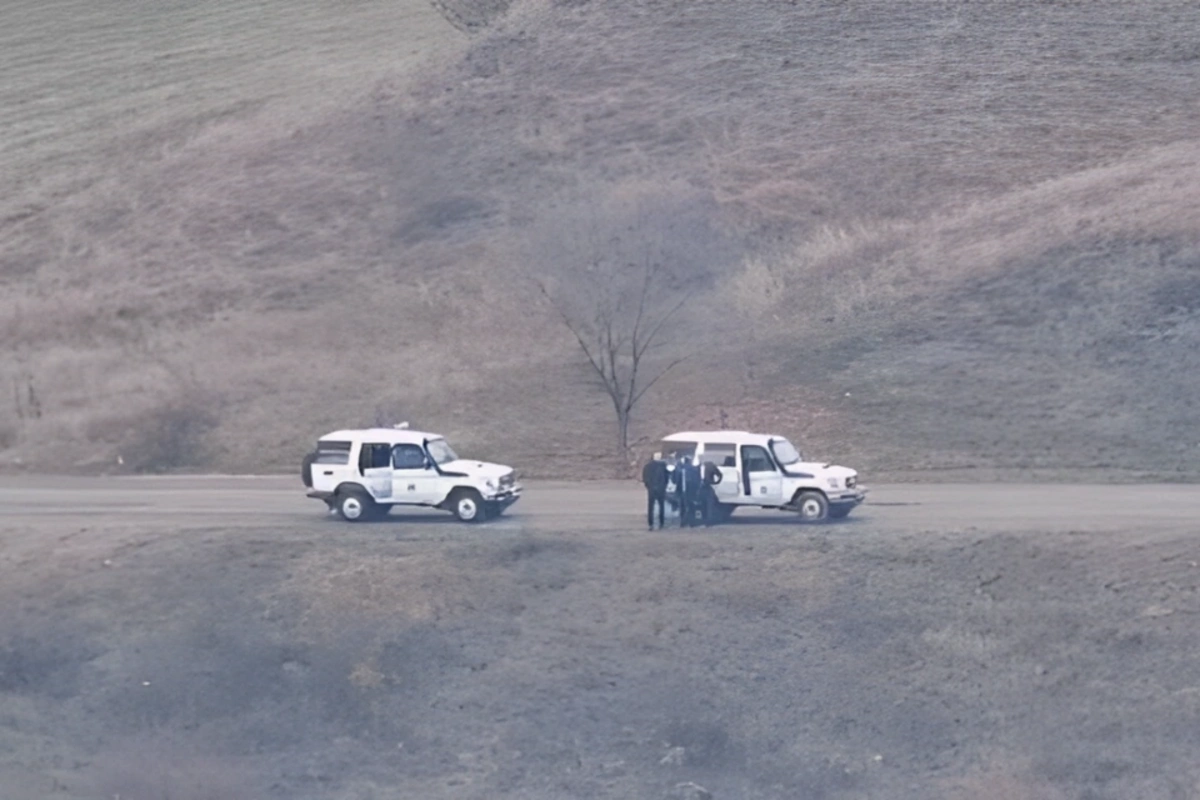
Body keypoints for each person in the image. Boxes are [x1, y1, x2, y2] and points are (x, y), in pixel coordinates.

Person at [641, 452, 669, 530]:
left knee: (651, 507)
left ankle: (651, 523)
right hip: (660, 488)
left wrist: (648, 486)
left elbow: (645, 477)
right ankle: (661, 522)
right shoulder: (663, 466)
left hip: (651, 488)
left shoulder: (647, 466)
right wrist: (664, 486)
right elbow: (666, 477)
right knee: (661, 506)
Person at [674, 454, 702, 528]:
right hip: (689, 491)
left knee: (683, 507)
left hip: (683, 491)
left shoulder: (680, 469)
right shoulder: (692, 469)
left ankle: (684, 522)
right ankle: (690, 522)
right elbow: (697, 480)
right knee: (690, 506)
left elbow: (675, 479)